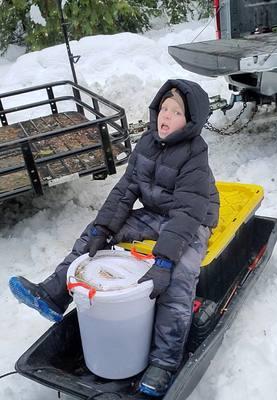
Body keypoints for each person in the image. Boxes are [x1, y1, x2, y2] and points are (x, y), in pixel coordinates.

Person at [9, 79, 219, 397]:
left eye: (176, 112)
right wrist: (103, 230)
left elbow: (186, 213)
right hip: (155, 214)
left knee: (178, 277)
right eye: (164, 108)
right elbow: (125, 192)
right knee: (93, 233)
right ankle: (54, 293)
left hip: (192, 221)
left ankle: (163, 362)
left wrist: (163, 260)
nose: (166, 116)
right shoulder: (148, 143)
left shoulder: (195, 156)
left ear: (190, 123)